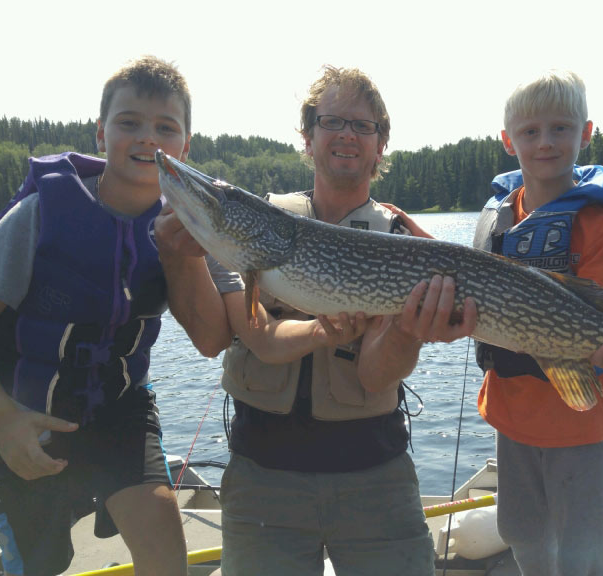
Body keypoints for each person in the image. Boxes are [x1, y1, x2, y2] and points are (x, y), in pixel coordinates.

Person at [155, 65, 477, 576]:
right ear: (307, 138)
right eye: (332, 121)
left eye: (362, 126)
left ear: (379, 146)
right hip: (264, 481)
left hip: (375, 479)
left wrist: (409, 330)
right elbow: (249, 336)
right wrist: (321, 331)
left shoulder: (403, 242)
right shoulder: (259, 227)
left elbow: (374, 376)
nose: (347, 134)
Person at [0, 56, 194, 576]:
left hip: (122, 411)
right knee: (39, 565)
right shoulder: (41, 215)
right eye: (129, 123)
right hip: (27, 416)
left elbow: (220, 326)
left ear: (185, 145)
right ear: (101, 134)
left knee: (165, 555)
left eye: (166, 127)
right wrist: (0, 419)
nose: (148, 137)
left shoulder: (187, 225)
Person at [471, 71, 603, 575]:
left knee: (581, 552)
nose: (545, 142)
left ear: (585, 133)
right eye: (530, 132)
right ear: (509, 142)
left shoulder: (601, 226)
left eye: (560, 128)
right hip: (512, 415)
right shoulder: (499, 217)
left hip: (580, 420)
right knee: (522, 534)